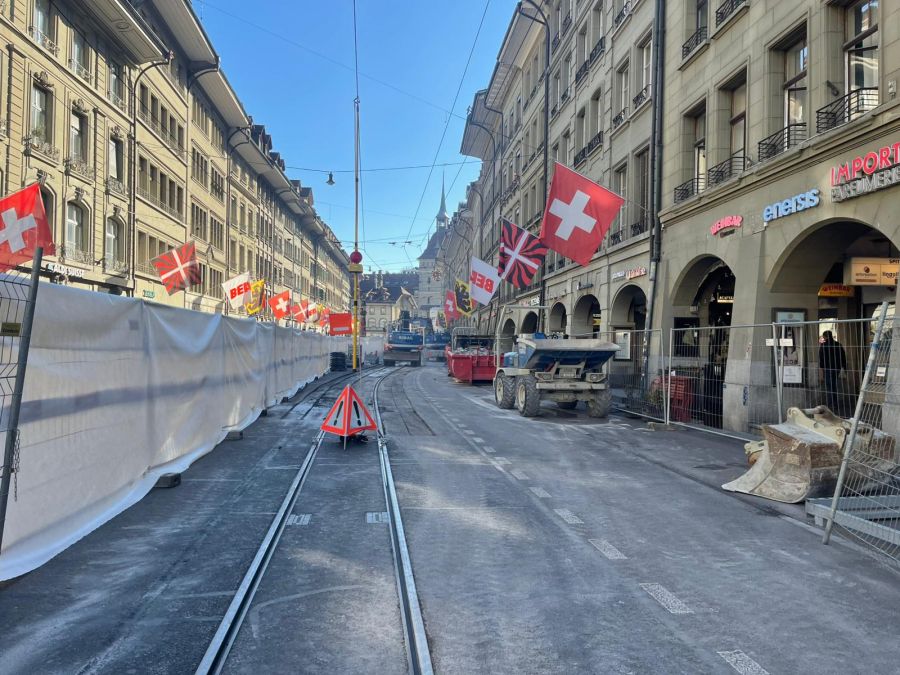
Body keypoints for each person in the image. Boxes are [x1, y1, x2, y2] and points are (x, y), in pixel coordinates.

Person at [819, 331, 847, 413]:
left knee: (829, 386)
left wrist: (821, 370)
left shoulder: (823, 345)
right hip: (836, 368)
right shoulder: (838, 345)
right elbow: (843, 357)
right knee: (833, 385)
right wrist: (844, 368)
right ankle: (834, 404)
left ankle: (830, 404)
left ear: (825, 337)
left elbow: (821, 358)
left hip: (828, 368)